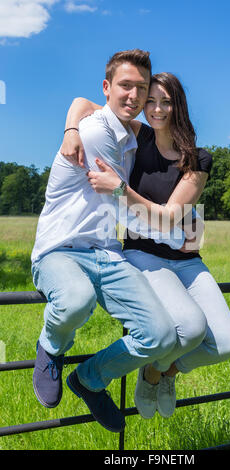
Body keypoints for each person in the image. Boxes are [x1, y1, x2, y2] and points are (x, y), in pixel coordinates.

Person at [60, 72, 230, 420]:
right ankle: (137, 374)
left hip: (186, 260)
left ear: (178, 106)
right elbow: (82, 105)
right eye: (150, 101)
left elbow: (171, 216)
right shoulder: (136, 138)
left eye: (165, 101)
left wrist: (118, 189)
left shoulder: (198, 159)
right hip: (143, 254)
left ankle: (159, 373)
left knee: (226, 343)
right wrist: (71, 132)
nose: (156, 109)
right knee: (188, 328)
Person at [31, 50, 194, 434]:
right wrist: (178, 229)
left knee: (161, 336)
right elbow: (122, 206)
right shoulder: (95, 132)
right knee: (76, 299)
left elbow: (84, 102)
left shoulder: (131, 137)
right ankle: (51, 346)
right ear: (107, 88)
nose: (135, 96)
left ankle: (89, 378)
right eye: (125, 86)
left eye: (141, 87)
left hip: (107, 253)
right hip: (61, 250)